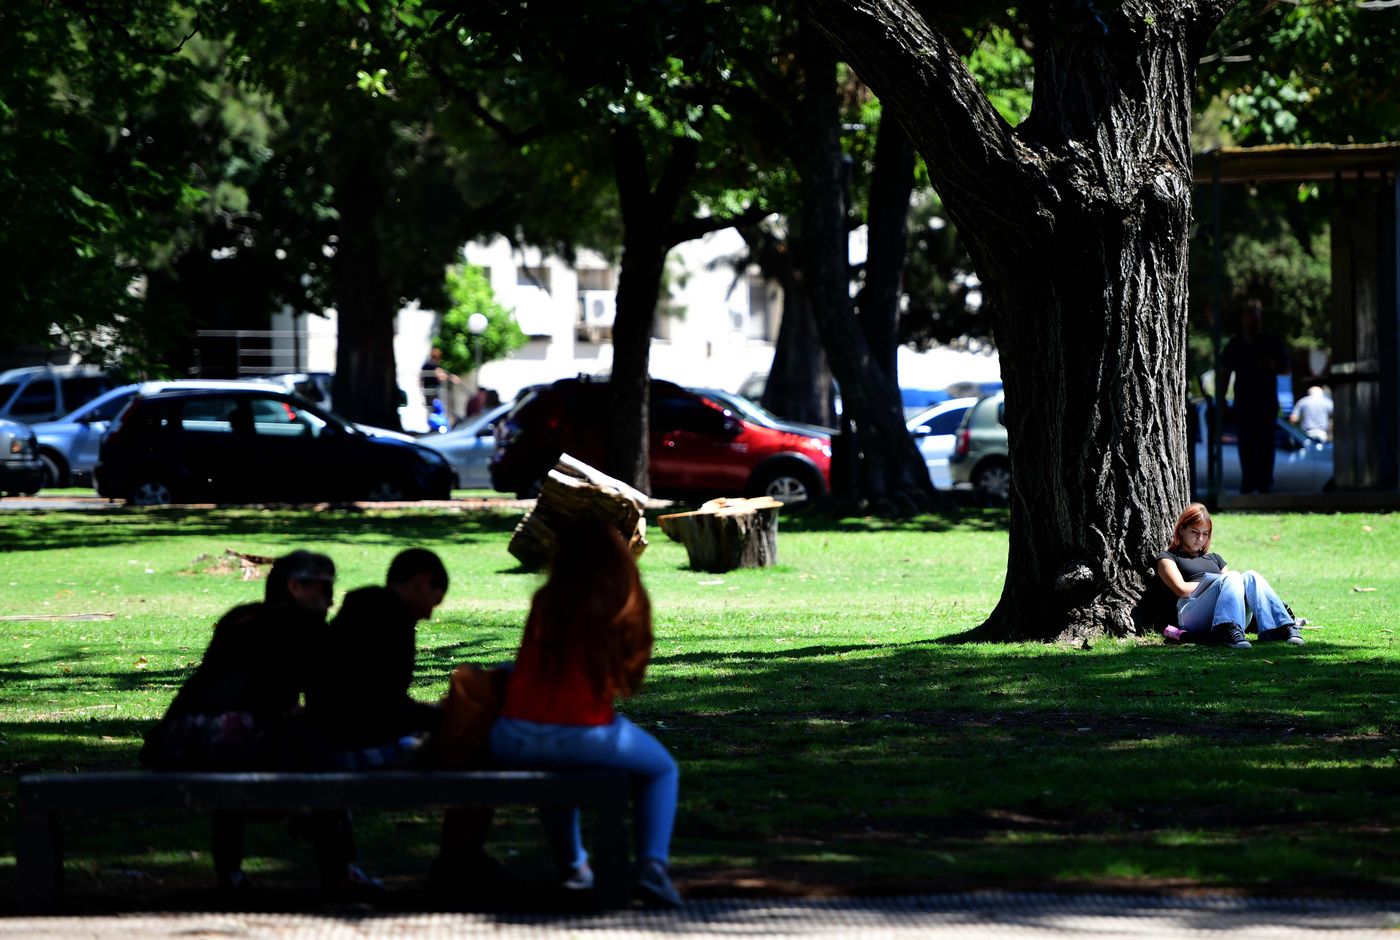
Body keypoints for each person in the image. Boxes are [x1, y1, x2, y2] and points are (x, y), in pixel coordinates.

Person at [490, 518, 682, 909]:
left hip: (513, 732)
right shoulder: (620, 604)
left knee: (554, 770)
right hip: (581, 730)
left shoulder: (547, 600)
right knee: (662, 769)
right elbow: (627, 681)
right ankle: (652, 866)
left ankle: (572, 866)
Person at [139, 550, 341, 890]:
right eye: (325, 588)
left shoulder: (240, 617)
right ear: (295, 587)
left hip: (177, 740)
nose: (331, 600)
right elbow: (323, 703)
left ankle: (230, 874)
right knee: (322, 749)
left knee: (251, 751)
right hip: (226, 740)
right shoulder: (305, 627)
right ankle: (338, 869)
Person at [306, 548, 449, 767]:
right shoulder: (390, 619)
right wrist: (438, 714)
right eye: (435, 600)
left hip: (331, 736)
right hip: (351, 744)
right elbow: (379, 705)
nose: (429, 614)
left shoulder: (364, 609)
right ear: (422, 581)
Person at [1155, 503, 1303, 649]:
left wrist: (1222, 583)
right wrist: (1217, 583)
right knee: (1232, 576)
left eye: (1205, 534)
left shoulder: (1215, 558)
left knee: (1251, 576)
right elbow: (1181, 589)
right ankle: (1226, 632)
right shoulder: (1168, 557)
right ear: (1182, 530)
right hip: (1191, 615)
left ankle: (1281, 627)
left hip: (1225, 613)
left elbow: (1233, 591)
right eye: (1195, 532)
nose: (1200, 538)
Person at [1220, 300, 1290, 494]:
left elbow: (1285, 368)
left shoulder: (1271, 342)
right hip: (1244, 402)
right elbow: (1225, 372)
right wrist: (1222, 400)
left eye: (1254, 320)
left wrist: (1271, 366)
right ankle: (1249, 481)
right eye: (1248, 320)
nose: (1250, 324)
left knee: (1266, 443)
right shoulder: (1236, 344)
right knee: (1246, 444)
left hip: (1266, 402)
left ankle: (1265, 482)